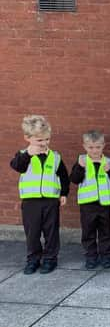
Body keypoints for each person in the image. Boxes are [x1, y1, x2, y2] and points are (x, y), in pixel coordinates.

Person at [10, 115, 69, 274]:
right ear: (27, 138)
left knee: (51, 231)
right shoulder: (23, 155)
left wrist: (64, 193)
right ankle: (33, 260)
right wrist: (29, 154)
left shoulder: (55, 156)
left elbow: (63, 175)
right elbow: (18, 167)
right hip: (30, 202)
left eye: (47, 139)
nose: (44, 144)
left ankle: (50, 259)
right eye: (39, 141)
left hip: (50, 201)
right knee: (32, 233)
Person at [70, 131, 110, 269]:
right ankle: (91, 256)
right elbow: (74, 179)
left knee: (106, 232)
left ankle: (106, 256)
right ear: (85, 147)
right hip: (87, 205)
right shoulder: (82, 161)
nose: (94, 150)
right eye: (91, 147)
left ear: (103, 146)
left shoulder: (108, 161)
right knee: (88, 232)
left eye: (98, 147)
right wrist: (80, 168)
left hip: (104, 204)